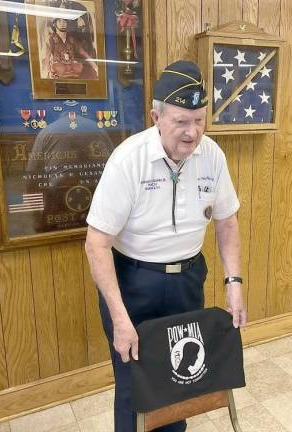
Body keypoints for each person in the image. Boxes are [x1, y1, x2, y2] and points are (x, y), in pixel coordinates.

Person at [85, 60, 247, 432]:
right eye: (181, 122)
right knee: (135, 384)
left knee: (179, 379)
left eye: (200, 120)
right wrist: (120, 318)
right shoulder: (129, 160)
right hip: (133, 283)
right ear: (156, 116)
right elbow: (97, 244)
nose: (193, 133)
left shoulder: (213, 156)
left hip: (187, 280)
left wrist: (233, 282)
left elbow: (226, 220)